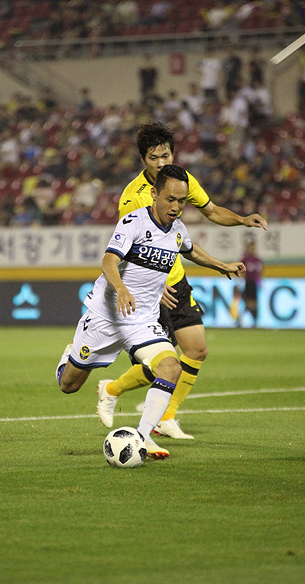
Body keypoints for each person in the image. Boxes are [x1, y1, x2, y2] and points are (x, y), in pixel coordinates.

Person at [56, 165, 246, 459]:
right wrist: (121, 289)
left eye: (181, 201)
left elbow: (191, 250)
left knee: (171, 367)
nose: (176, 207)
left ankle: (142, 437)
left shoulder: (178, 230)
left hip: (142, 320)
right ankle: (70, 355)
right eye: (170, 199)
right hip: (107, 316)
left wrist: (222, 266)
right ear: (155, 194)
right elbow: (108, 261)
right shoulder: (133, 222)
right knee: (69, 385)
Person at [96, 122, 268, 439]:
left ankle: (165, 416)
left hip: (177, 280)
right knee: (164, 362)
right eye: (153, 158)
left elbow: (211, 211)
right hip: (151, 288)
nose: (161, 162)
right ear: (143, 160)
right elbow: (125, 249)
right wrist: (151, 284)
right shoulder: (132, 198)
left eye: (165, 155)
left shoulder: (182, 181)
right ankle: (113, 390)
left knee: (197, 350)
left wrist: (242, 220)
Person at [237, 240, 263, 327]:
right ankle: (246, 320)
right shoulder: (245, 259)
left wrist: (260, 282)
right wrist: (240, 281)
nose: (252, 249)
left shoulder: (257, 260)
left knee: (253, 303)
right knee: (247, 302)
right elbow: (239, 270)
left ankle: (249, 320)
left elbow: (260, 272)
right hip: (247, 282)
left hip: (254, 283)